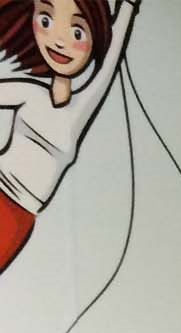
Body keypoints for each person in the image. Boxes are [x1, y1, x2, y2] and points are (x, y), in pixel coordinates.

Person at [0, 0, 140, 276]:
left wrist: (128, 6)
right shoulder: (30, 94)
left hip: (22, 213)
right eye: (46, 20)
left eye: (77, 32)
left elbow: (110, 61)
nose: (59, 41)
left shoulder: (80, 108)